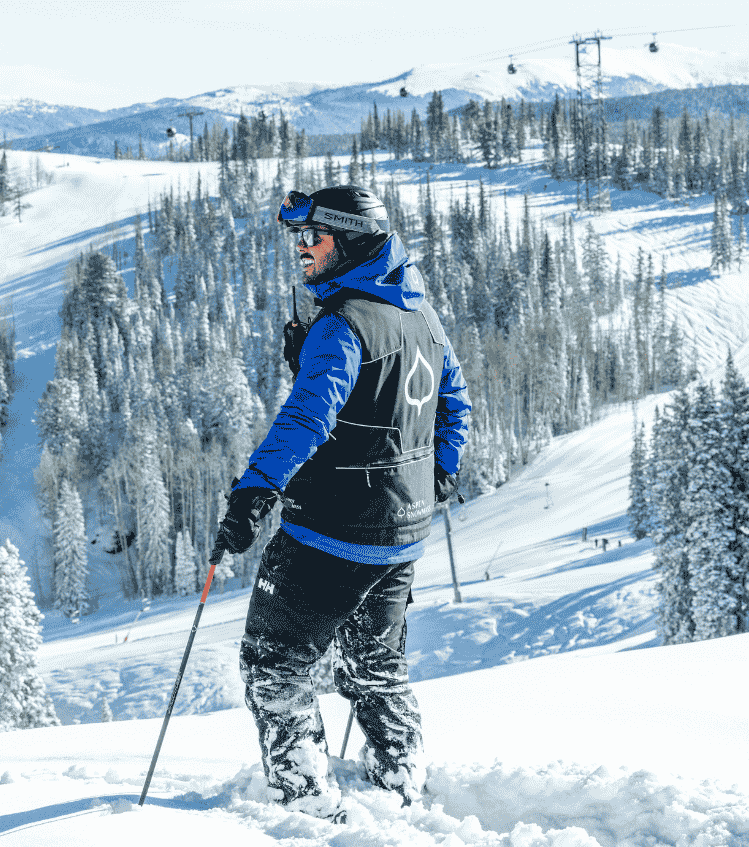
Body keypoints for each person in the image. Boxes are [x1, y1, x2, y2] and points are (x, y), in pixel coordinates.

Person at [212, 185, 470, 817]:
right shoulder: (422, 315)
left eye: (313, 237)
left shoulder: (342, 324)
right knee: (373, 666)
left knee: (275, 664)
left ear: (349, 241)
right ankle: (399, 785)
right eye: (298, 237)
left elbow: (307, 417)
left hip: (329, 530)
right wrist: (431, 482)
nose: (301, 249)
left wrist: (255, 490)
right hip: (401, 532)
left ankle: (307, 805)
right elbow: (454, 406)